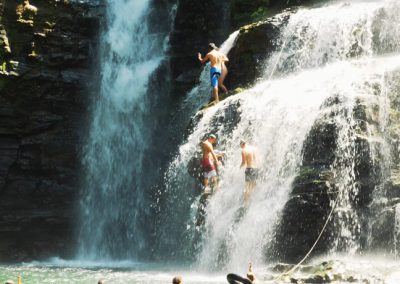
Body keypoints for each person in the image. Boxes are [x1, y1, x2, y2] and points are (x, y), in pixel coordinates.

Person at [240, 140, 258, 208]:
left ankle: (246, 205)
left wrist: (239, 167)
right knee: (253, 186)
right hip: (255, 169)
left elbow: (243, 162)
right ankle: (254, 201)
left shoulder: (243, 150)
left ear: (242, 145)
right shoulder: (252, 148)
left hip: (249, 169)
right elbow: (256, 159)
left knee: (247, 188)